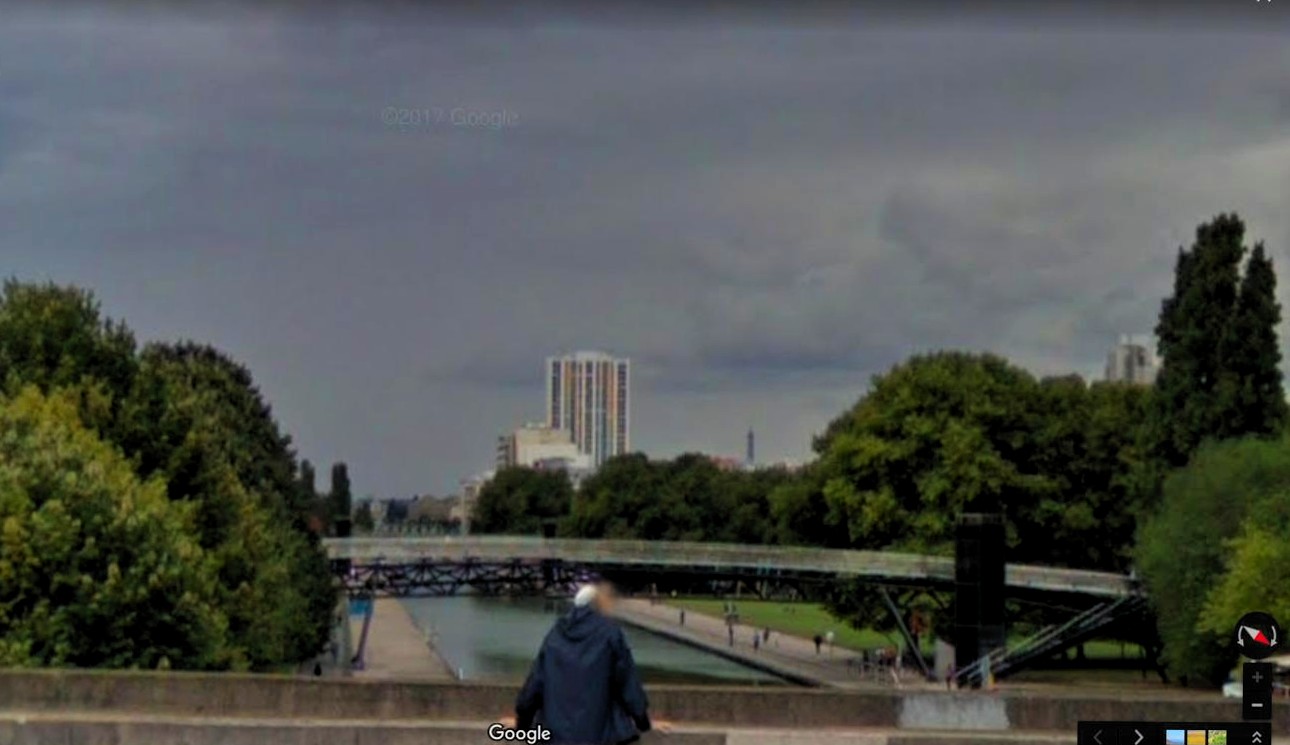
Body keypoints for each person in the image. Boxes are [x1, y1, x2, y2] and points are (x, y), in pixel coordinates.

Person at [513, 582, 669, 744]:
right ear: (598, 604)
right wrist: (643, 722)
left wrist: (523, 724)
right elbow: (627, 684)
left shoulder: (555, 635)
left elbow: (535, 685)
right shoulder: (609, 633)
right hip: (599, 735)